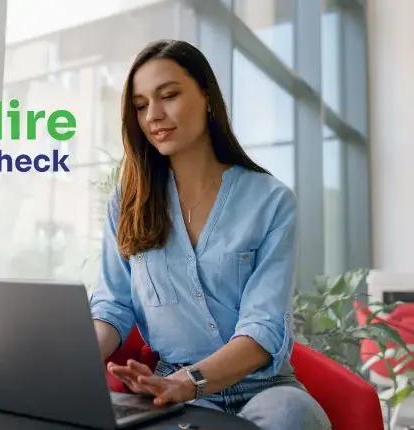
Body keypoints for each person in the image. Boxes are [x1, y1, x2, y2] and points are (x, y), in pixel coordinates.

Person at [89, 39, 331, 430]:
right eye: (140, 105)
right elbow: (113, 307)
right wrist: (67, 361)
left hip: (264, 389)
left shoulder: (271, 201)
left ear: (206, 96)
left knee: (292, 418)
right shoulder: (127, 203)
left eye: (168, 95)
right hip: (168, 390)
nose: (154, 115)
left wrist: (191, 382)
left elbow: (263, 327)